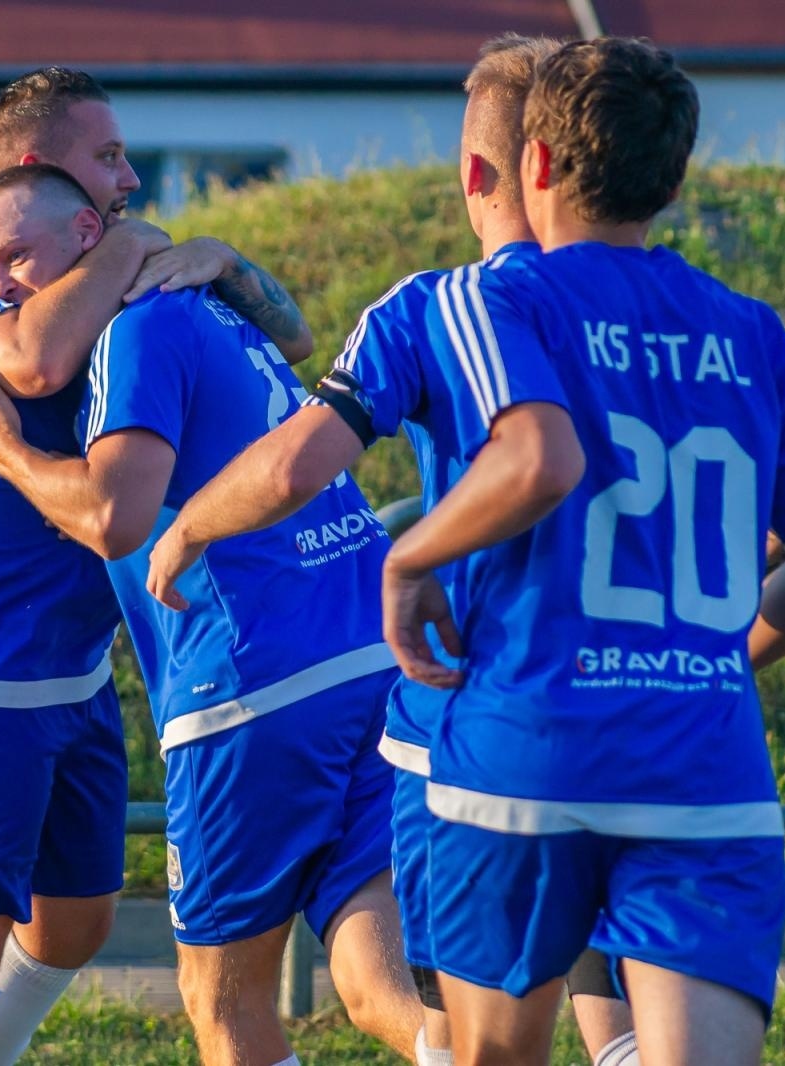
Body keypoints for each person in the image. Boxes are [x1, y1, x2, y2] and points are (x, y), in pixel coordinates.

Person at [143, 33, 639, 1066]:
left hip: (478, 721)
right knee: (632, 1022)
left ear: (478, 172)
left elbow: (290, 469)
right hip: (648, 710)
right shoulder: (688, 317)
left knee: (477, 1037)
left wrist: (187, 523)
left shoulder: (436, 309)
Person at [375, 38, 785, 1066]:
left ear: (534, 165)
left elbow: (534, 461)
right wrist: (711, 656)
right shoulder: (757, 333)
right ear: (674, 180)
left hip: (530, 743)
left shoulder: (500, 300)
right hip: (700, 758)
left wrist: (406, 558)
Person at [0, 67, 313, 1066]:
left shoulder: (95, 266)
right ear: (31, 168)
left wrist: (219, 260)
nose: (128, 177)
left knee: (73, 924)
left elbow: (292, 336)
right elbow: (33, 365)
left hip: (68, 669)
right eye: (105, 157)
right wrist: (138, 248)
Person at [0, 163, 423, 1066]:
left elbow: (113, 517)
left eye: (14, 257)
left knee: (222, 998)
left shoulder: (133, 326)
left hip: (250, 687)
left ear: (89, 236)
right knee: (374, 979)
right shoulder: (213, 300)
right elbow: (302, 339)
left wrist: (3, 446)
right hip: (370, 657)